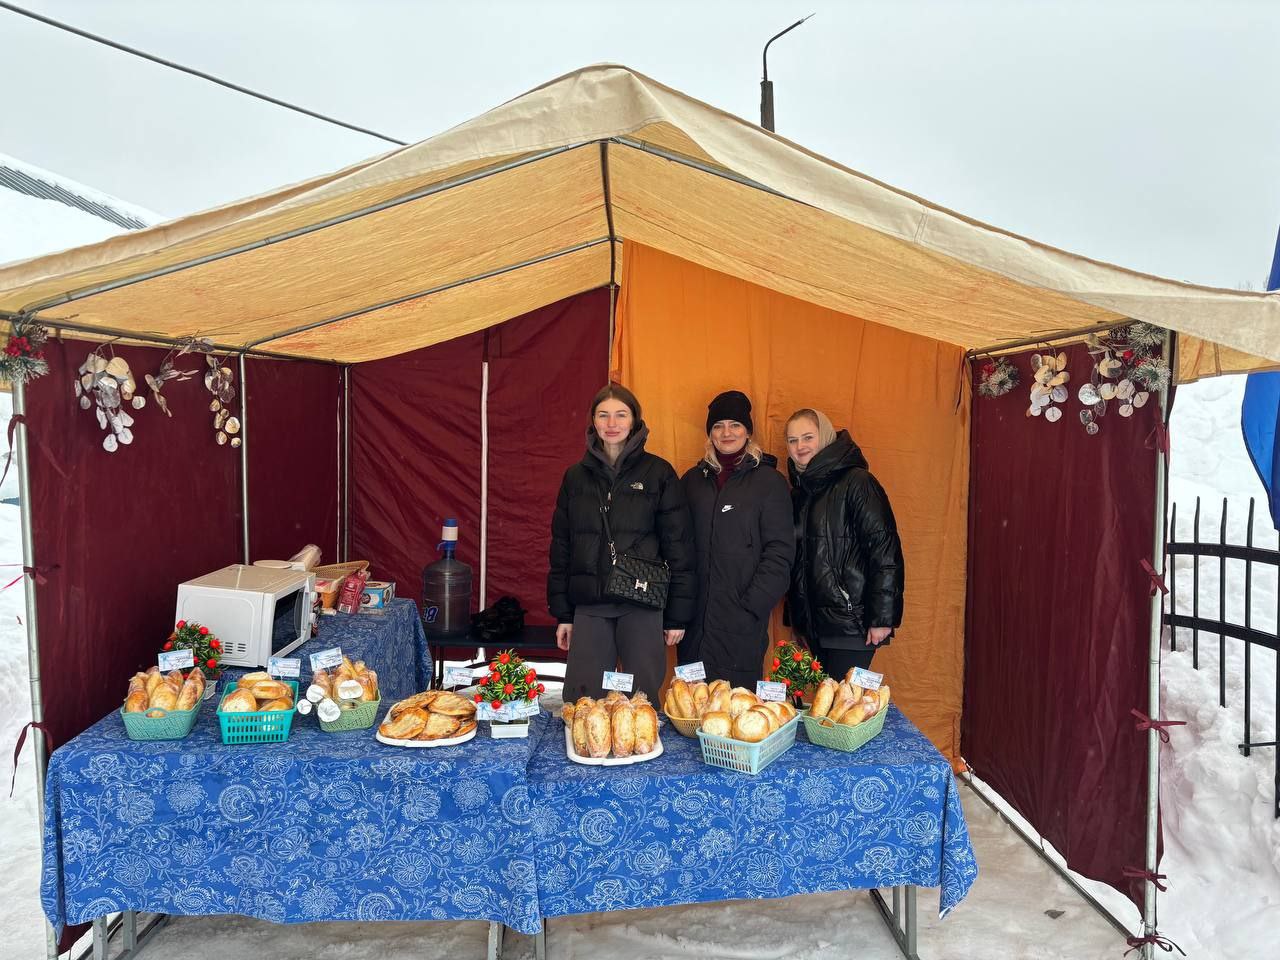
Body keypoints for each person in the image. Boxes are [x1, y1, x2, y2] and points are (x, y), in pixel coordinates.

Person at [548, 384, 696, 703]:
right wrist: (564, 614)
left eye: (621, 415)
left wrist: (676, 616)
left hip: (641, 605)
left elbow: (679, 548)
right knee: (584, 701)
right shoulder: (575, 477)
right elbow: (562, 549)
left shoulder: (659, 473)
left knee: (641, 701)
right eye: (603, 415)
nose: (612, 423)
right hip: (590, 606)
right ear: (593, 421)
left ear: (634, 420)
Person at [679, 390, 795, 688]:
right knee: (689, 704)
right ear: (710, 433)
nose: (726, 432)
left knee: (736, 706)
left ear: (748, 431)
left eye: (735, 425)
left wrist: (752, 605)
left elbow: (780, 553)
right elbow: (676, 545)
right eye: (718, 426)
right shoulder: (691, 481)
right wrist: (679, 607)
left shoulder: (769, 483)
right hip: (694, 621)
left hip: (741, 621)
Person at [784, 408, 904, 678]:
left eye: (808, 437)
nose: (800, 446)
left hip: (853, 625)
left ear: (825, 436)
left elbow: (885, 551)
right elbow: (798, 561)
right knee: (826, 702)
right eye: (792, 440)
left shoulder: (857, 482)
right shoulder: (800, 493)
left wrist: (882, 618)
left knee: (845, 702)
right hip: (815, 628)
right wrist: (798, 621)